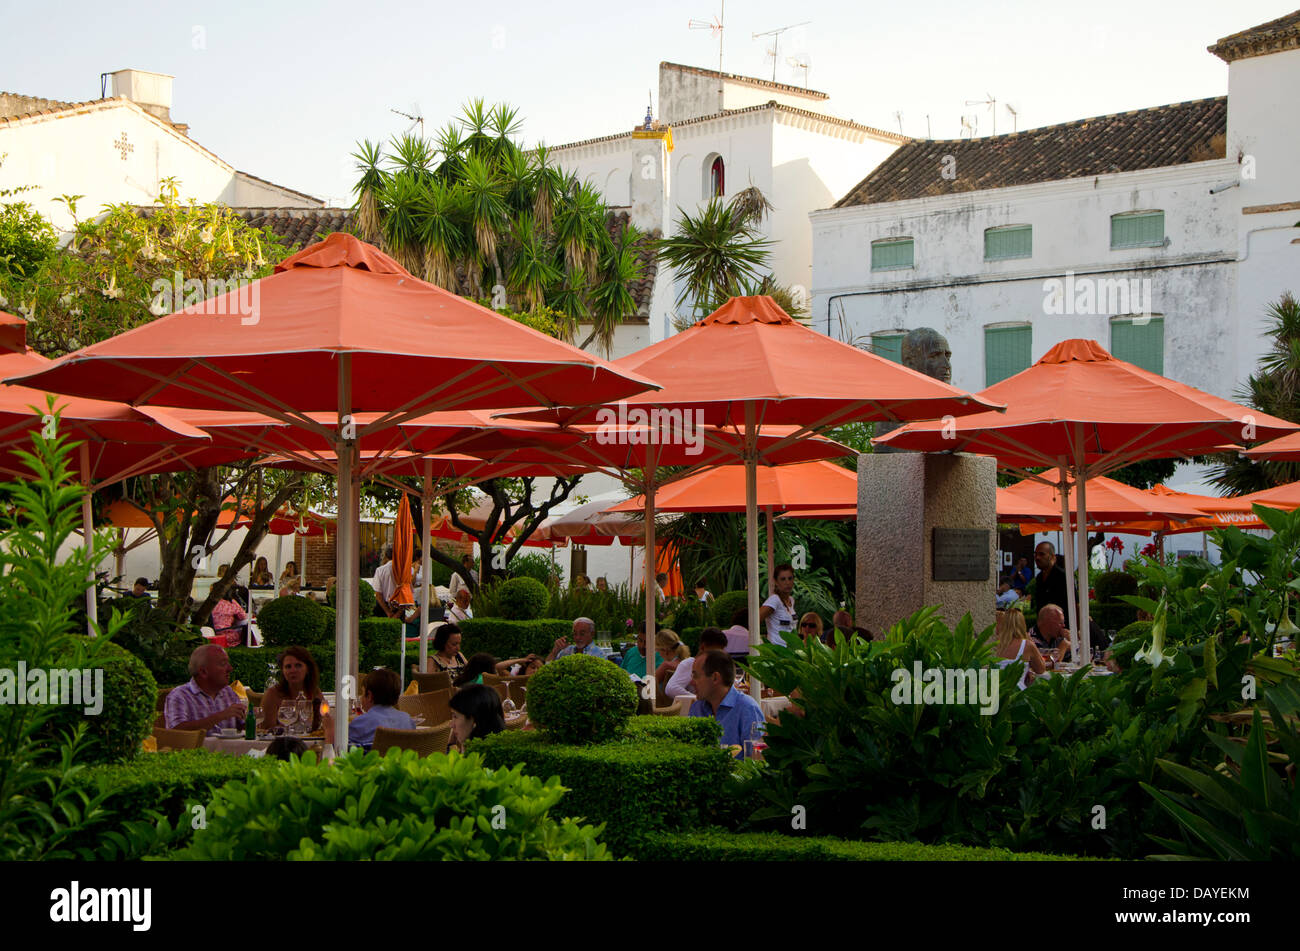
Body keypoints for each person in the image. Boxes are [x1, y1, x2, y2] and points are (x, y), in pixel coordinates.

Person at [688, 650, 766, 752]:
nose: (691, 682)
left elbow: (756, 757)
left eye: (696, 676)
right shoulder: (697, 708)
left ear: (715, 678)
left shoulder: (747, 708)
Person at [164, 644, 246, 735]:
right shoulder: (179, 695)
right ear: (203, 672)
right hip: (196, 749)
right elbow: (176, 731)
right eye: (223, 664)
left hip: (229, 749)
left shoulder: (228, 692)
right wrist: (221, 716)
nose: (230, 668)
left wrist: (254, 718)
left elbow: (242, 726)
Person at [332, 668, 413, 751]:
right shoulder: (407, 720)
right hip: (401, 763)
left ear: (370, 696)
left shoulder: (362, 722)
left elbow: (340, 751)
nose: (361, 698)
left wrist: (330, 732)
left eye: (363, 693)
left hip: (371, 763)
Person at [260, 646, 325, 731]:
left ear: (308, 669)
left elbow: (323, 722)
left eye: (298, 665)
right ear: (283, 671)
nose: (293, 670)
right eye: (288, 667)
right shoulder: (273, 694)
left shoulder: (314, 691)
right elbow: (267, 729)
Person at [665, 627, 729, 700]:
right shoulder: (690, 664)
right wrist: (698, 699)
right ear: (702, 647)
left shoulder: (718, 665)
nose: (718, 655)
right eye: (715, 652)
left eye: (721, 652)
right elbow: (671, 689)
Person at [993, 610, 1046, 689]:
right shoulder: (1027, 645)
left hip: (995, 692)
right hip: (1017, 693)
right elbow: (1040, 669)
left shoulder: (992, 644)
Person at [449, 683, 506, 752]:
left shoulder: (479, 758)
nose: (451, 725)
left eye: (455, 716)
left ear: (475, 720)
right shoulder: (498, 746)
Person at [759, 563, 797, 647]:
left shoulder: (791, 600)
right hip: (776, 650)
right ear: (776, 582)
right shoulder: (774, 600)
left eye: (790, 578)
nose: (787, 582)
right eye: (783, 579)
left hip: (790, 650)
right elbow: (755, 620)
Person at [1031, 541, 1068, 616]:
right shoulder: (1039, 577)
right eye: (1035, 554)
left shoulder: (1062, 576)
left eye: (1042, 554)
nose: (1037, 558)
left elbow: (1075, 603)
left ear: (1052, 557)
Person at [372, 545, 397, 617]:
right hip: (399, 606)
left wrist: (387, 612)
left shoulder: (380, 570)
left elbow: (378, 593)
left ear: (386, 556)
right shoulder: (403, 570)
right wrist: (398, 613)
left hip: (383, 607)